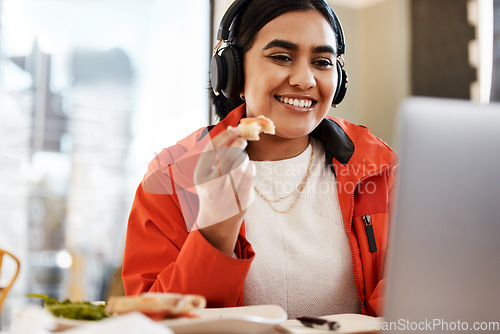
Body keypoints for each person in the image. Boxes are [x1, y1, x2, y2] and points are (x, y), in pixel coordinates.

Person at [122, 0, 398, 319]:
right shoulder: (172, 177)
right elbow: (149, 322)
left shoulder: (382, 169)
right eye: (282, 57)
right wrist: (215, 233)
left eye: (322, 61)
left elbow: (413, 303)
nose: (304, 80)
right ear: (233, 71)